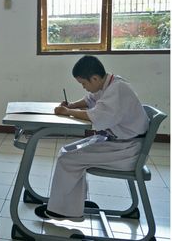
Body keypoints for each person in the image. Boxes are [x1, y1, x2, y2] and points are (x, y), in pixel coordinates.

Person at [35, 55, 149, 221]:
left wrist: (67, 112)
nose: (84, 87)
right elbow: (90, 100)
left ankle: (64, 210)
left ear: (94, 78)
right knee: (67, 151)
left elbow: (95, 115)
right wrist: (72, 106)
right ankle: (71, 204)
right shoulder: (109, 83)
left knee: (68, 159)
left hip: (126, 151)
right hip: (120, 143)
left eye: (84, 83)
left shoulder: (117, 89)